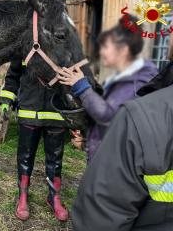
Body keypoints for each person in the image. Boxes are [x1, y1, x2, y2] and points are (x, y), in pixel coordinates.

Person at [67, 61, 173, 231]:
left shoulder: (140, 79)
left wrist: (82, 87)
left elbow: (110, 118)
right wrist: (88, 138)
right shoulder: (118, 78)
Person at [58, 15, 157, 161]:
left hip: (116, 170)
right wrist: (88, 141)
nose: (101, 52)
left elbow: (107, 116)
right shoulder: (119, 79)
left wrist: (81, 86)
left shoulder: (137, 82)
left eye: (106, 47)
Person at [0, 59, 69, 222]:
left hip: (56, 111)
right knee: (25, 158)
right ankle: (23, 196)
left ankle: (54, 198)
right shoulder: (25, 43)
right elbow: (13, 75)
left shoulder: (63, 43)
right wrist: (7, 98)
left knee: (55, 160)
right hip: (29, 111)